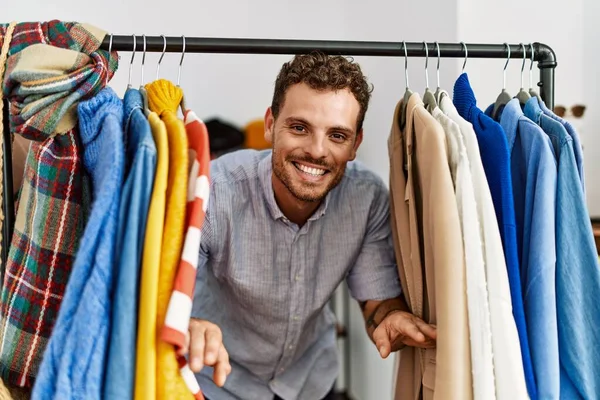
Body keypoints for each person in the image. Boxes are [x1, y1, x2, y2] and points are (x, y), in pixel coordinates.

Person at [184, 51, 437, 400]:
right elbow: (166, 295)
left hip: (310, 381)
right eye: (300, 128)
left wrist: (391, 317)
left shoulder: (367, 199)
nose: (317, 151)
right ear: (271, 124)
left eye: (337, 135)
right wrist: (189, 323)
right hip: (217, 379)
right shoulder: (213, 190)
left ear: (354, 145)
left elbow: (376, 303)